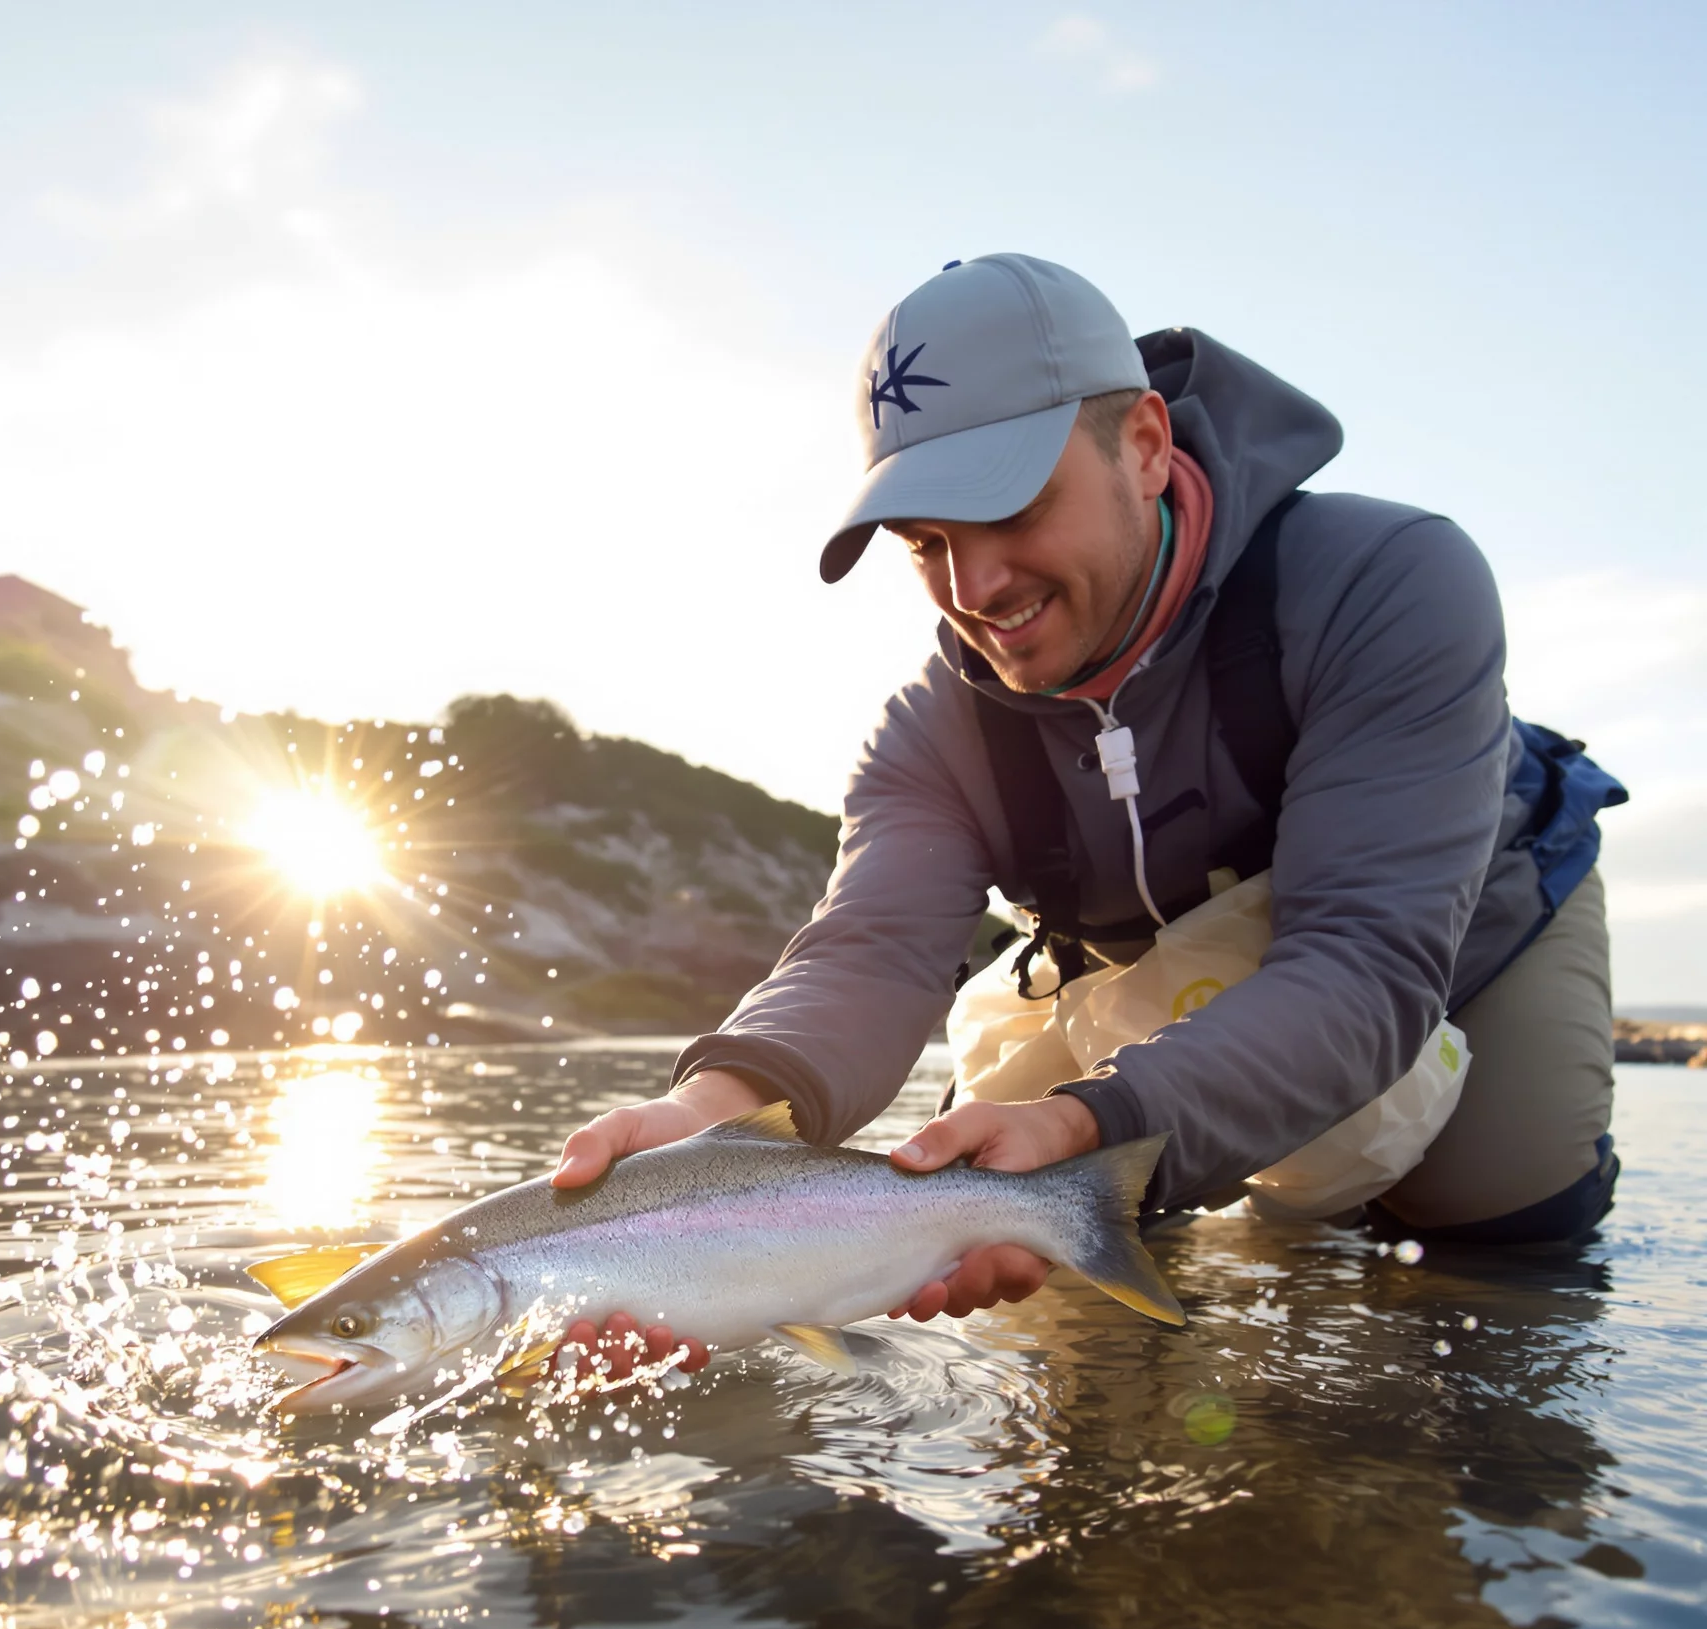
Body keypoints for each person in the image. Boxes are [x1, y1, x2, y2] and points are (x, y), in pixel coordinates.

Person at [550, 253, 1625, 1358]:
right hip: (1144, 977)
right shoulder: (927, 729)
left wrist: (1085, 1120)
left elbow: (1361, 959)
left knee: (1496, 1233)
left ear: (1146, 446)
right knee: (1031, 1240)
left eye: (1008, 505)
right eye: (925, 542)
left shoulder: (1386, 578)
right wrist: (703, 1123)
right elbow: (867, 953)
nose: (973, 592)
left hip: (1459, 939)